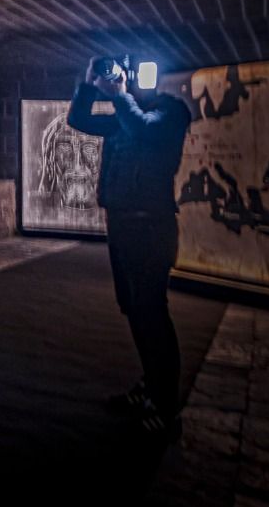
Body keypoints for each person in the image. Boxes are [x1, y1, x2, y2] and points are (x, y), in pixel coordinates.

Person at [67, 56, 192, 441]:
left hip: (151, 227)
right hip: (121, 225)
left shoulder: (171, 111)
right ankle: (151, 385)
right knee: (134, 310)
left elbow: (145, 133)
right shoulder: (125, 113)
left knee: (152, 312)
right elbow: (80, 121)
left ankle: (166, 404)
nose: (139, 79)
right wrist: (89, 84)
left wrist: (120, 96)